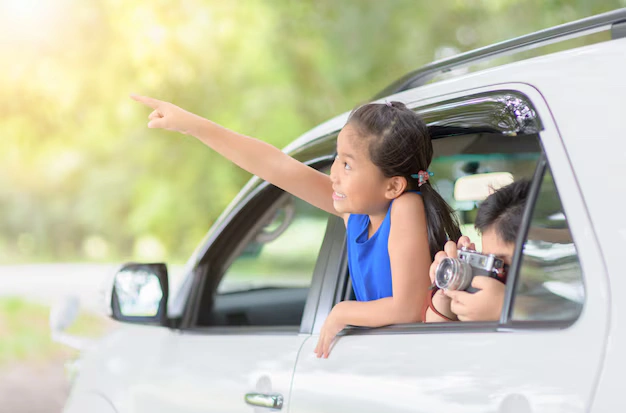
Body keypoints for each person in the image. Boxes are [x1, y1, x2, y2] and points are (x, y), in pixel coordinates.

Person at [131, 95, 461, 356]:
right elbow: (276, 166)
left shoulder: (405, 206)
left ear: (392, 186)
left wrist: (341, 312)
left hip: (411, 359)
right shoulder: (357, 214)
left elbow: (406, 308)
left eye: (347, 164)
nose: (334, 173)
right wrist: (193, 125)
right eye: (336, 158)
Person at [424, 179, 530, 322]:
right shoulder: (489, 288)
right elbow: (435, 340)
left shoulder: (563, 300)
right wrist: (447, 292)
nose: (492, 274)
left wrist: (508, 310)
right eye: (485, 260)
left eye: (499, 264)